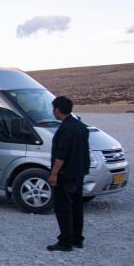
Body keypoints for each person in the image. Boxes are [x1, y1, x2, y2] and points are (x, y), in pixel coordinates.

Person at [47, 96, 90, 251]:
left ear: (58, 109)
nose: (53, 111)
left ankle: (65, 242)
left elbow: (61, 154)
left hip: (66, 174)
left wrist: (54, 173)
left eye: (54, 109)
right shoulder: (81, 126)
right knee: (77, 206)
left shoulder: (66, 129)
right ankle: (77, 239)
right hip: (79, 172)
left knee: (63, 208)